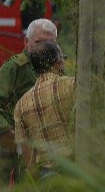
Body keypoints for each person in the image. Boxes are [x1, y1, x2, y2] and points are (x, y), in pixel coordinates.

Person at [0, 18, 58, 182]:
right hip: (15, 146)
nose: (44, 48)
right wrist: (5, 131)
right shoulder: (16, 67)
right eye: (39, 42)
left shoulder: (55, 68)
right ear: (26, 42)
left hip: (41, 146)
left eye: (49, 43)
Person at [13, 41, 76, 179]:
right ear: (58, 61)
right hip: (75, 171)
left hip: (45, 177)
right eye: (63, 58)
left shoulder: (21, 105)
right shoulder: (73, 86)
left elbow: (28, 156)